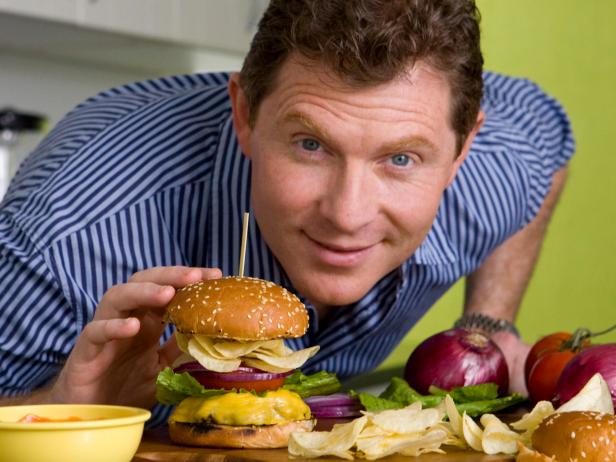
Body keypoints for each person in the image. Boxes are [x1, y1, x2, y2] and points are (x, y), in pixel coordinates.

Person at [0, 0, 574, 426]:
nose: (348, 216)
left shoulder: (496, 164)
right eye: (311, 145)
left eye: (400, 158)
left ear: (463, 149)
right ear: (245, 116)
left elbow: (547, 133)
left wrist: (488, 325)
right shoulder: (72, 230)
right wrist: (63, 411)